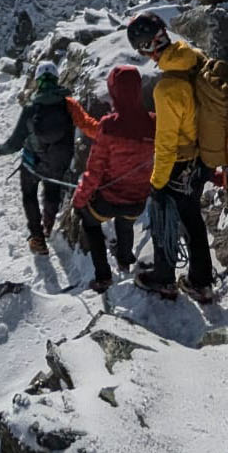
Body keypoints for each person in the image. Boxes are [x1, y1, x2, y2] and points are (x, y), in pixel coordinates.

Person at [125, 13, 215, 303]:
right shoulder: (196, 59)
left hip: (181, 163)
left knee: (163, 215)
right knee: (192, 218)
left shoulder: (167, 89)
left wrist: (157, 181)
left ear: (146, 48)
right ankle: (201, 281)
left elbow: (166, 144)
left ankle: (164, 278)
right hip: (204, 159)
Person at [68, 66, 156, 293]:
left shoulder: (109, 125)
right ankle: (125, 260)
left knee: (90, 223)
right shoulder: (154, 123)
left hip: (107, 200)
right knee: (125, 223)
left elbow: (94, 170)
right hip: (137, 200)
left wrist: (79, 199)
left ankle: (103, 276)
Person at [0, 60, 75, 255]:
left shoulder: (31, 109)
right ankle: (48, 225)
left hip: (32, 163)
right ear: (56, 79)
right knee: (52, 191)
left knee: (29, 195)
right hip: (57, 163)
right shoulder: (68, 105)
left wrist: (0, 150)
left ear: (38, 81)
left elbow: (15, 142)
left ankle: (37, 238)